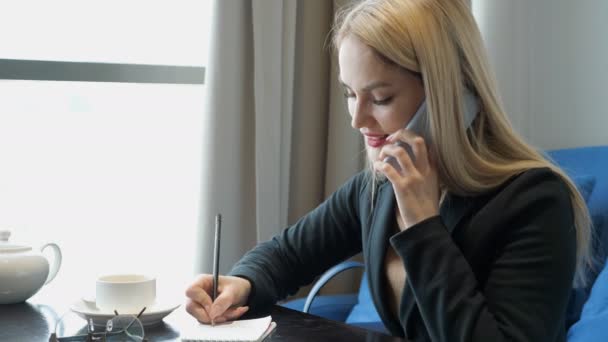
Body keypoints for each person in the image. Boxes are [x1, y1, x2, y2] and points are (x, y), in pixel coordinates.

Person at [185, 0, 593, 340]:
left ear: (450, 97)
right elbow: (287, 254)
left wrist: (421, 223)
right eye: (350, 94)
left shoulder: (535, 201)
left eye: (380, 98)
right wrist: (243, 284)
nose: (357, 119)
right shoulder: (376, 189)